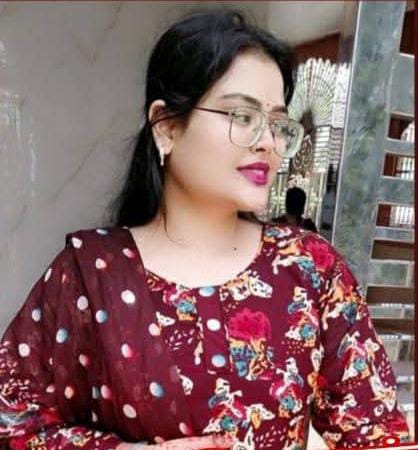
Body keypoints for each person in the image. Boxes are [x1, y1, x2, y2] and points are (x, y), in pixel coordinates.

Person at [0, 8, 410, 450]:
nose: (267, 142)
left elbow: (377, 435)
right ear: (167, 127)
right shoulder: (91, 273)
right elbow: (12, 421)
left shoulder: (309, 268)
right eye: (242, 116)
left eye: (277, 123)